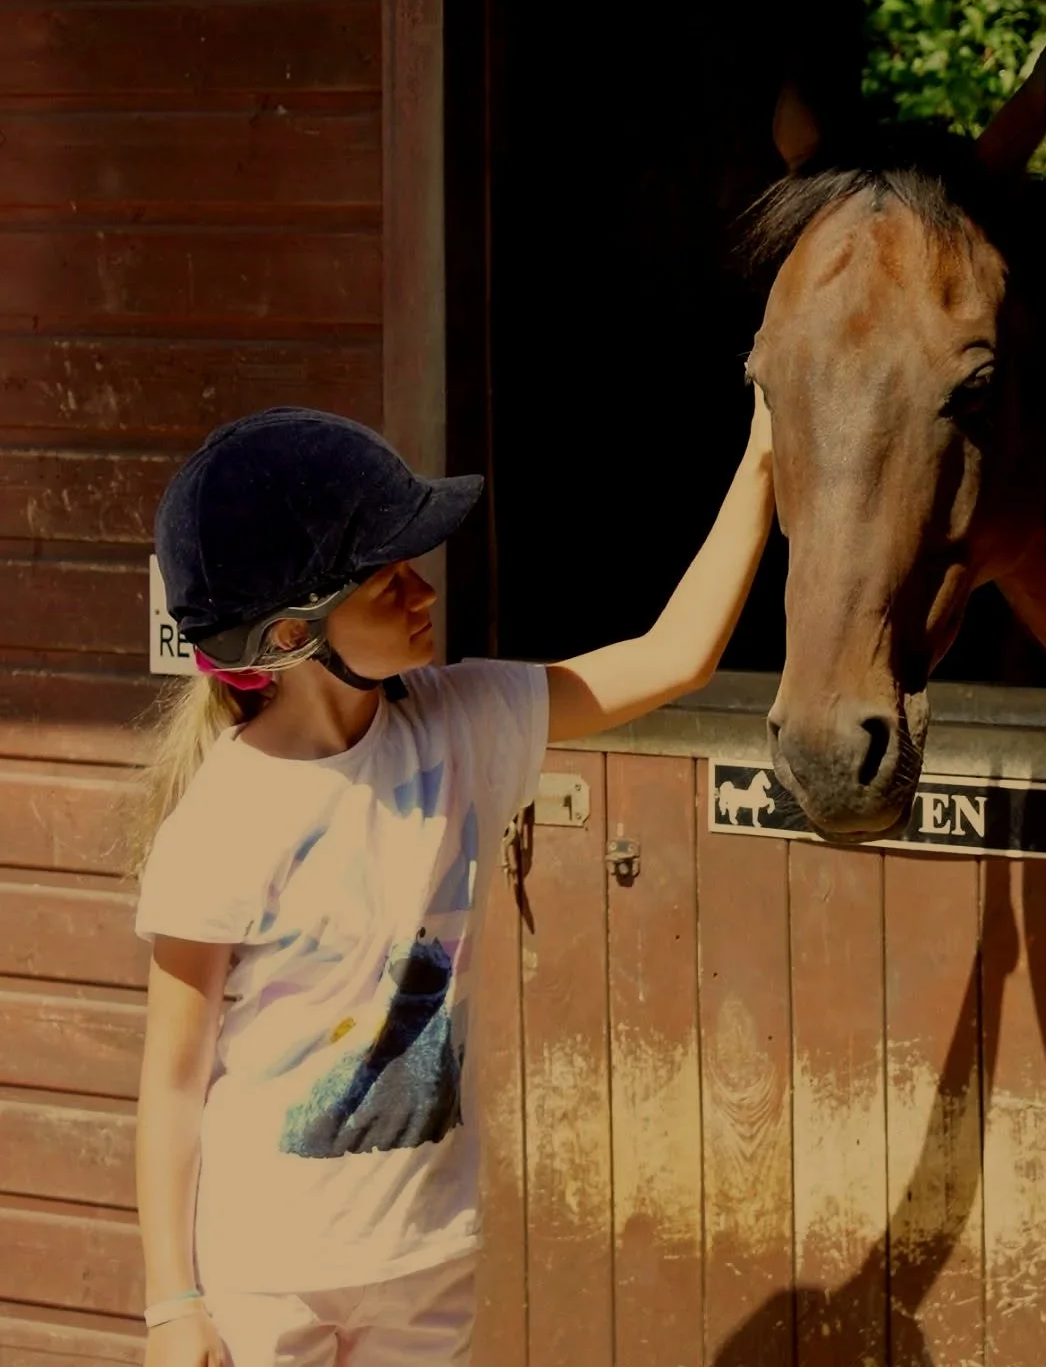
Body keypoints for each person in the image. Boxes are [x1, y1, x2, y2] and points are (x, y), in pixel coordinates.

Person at [132, 398, 773, 1367]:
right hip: (265, 1273)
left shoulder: (462, 720)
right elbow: (173, 1084)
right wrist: (170, 1303)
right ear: (289, 636)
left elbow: (672, 657)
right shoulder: (219, 823)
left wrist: (766, 454)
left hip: (428, 1257)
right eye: (387, 580)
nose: (423, 588)